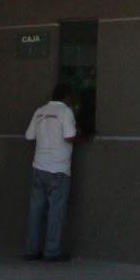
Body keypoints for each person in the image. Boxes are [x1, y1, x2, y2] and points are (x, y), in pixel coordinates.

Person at [23, 83, 80, 261]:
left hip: (38, 167)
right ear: (67, 97)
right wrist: (80, 133)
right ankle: (51, 251)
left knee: (35, 211)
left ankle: (31, 250)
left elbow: (29, 136)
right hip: (58, 169)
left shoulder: (40, 111)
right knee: (56, 211)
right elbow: (69, 136)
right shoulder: (65, 111)